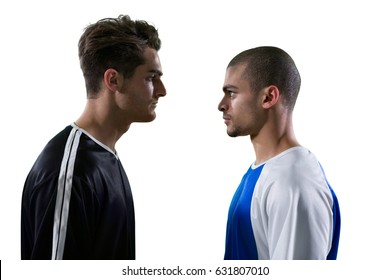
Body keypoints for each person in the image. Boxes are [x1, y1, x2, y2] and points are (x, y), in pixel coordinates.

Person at [21, 15, 166, 260]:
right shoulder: (71, 172)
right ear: (113, 80)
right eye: (151, 78)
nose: (162, 90)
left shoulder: (103, 157)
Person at [218, 46, 340, 260]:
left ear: (268, 97)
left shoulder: (293, 183)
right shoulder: (266, 171)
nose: (221, 105)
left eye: (232, 93)